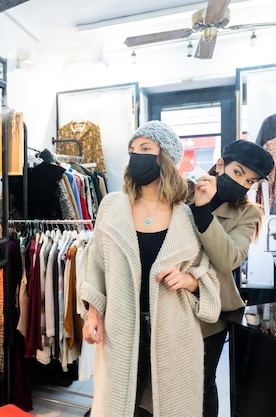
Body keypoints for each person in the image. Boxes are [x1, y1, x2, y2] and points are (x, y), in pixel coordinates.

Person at [80, 120, 221, 417]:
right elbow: (95, 262)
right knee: (121, 406)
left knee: (170, 406)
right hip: (120, 329)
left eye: (146, 149)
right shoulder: (112, 205)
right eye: (132, 150)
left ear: (165, 157)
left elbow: (208, 273)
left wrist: (188, 280)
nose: (136, 156)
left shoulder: (188, 214)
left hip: (175, 332)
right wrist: (93, 312)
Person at [187, 139, 274, 417]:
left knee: (201, 386)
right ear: (221, 164)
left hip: (212, 314)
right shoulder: (183, 194)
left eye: (251, 180)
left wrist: (203, 214)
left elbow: (228, 259)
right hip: (170, 303)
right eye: (238, 173)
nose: (243, 184)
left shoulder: (247, 212)